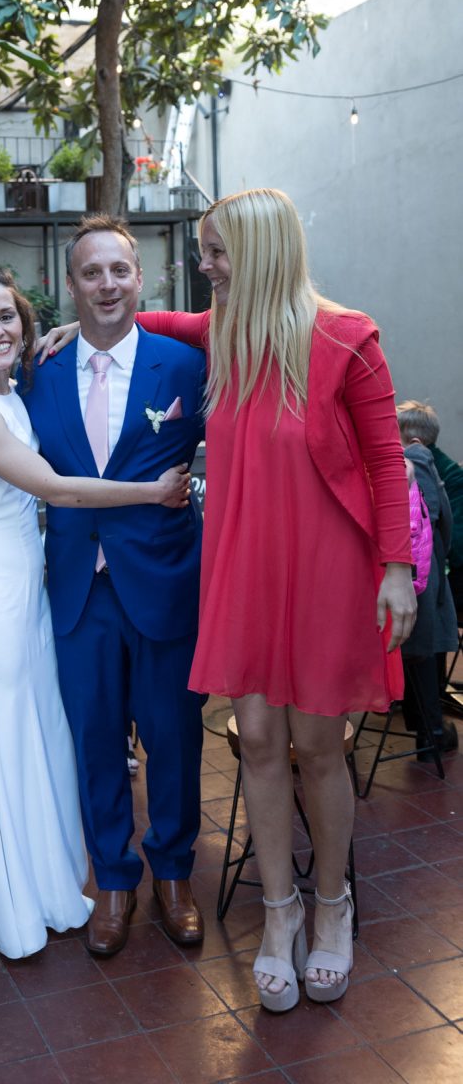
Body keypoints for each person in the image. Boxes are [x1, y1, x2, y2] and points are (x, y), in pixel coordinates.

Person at [41, 190, 416, 1010]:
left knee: (318, 747)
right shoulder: (226, 335)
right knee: (256, 744)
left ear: (259, 250)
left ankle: (330, 905)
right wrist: (81, 327)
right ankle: (278, 913)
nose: (203, 264)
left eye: (215, 251)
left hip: (326, 572)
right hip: (245, 568)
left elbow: (388, 461)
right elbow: (149, 321)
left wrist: (396, 567)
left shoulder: (348, 339)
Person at [0, 217, 208, 959]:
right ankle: (112, 881)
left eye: (119, 270)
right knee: (91, 741)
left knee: (173, 738)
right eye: (91, 273)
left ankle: (174, 876)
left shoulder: (186, 368)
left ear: (139, 278)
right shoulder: (35, 374)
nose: (107, 285)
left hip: (163, 583)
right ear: (69, 284)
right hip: (72, 593)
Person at [397, 401, 458, 754]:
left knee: (421, 652)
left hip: (417, 575)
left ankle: (430, 732)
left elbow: (426, 520)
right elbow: (444, 523)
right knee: (424, 651)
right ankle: (430, 731)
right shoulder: (428, 462)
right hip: (428, 571)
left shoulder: (415, 461)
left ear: (413, 439)